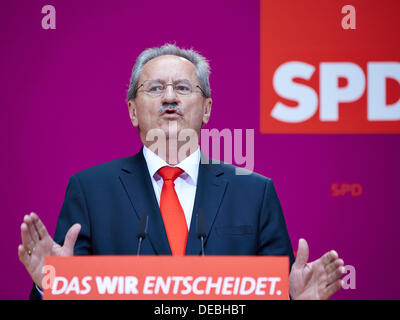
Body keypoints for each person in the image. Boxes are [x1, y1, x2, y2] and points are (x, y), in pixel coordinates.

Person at [18, 44, 345, 300]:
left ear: (207, 110)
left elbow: (277, 293)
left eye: (184, 89)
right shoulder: (89, 190)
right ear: (133, 110)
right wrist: (52, 288)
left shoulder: (254, 192)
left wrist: (294, 299)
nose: (170, 97)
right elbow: (65, 288)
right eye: (156, 88)